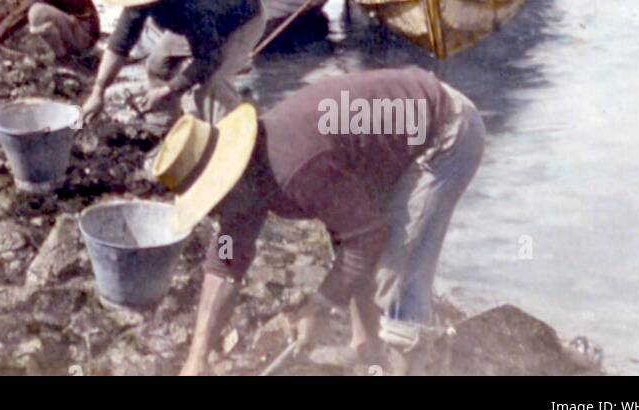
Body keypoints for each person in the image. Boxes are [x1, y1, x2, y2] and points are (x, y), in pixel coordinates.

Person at [153, 67, 484, 375]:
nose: (214, 212)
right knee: (352, 232)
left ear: (227, 178)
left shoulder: (295, 169)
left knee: (397, 272)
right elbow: (225, 263)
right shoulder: (246, 180)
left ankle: (403, 364)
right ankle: (367, 350)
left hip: (444, 131)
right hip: (390, 140)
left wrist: (320, 306)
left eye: (213, 199)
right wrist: (197, 358)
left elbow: (366, 238)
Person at [80, 0, 265, 127]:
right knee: (156, 65)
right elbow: (119, 45)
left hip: (242, 17)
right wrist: (98, 91)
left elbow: (209, 59)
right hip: (209, 10)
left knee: (213, 83)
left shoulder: (193, 3)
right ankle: (167, 126)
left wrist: (169, 90)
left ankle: (229, 138)